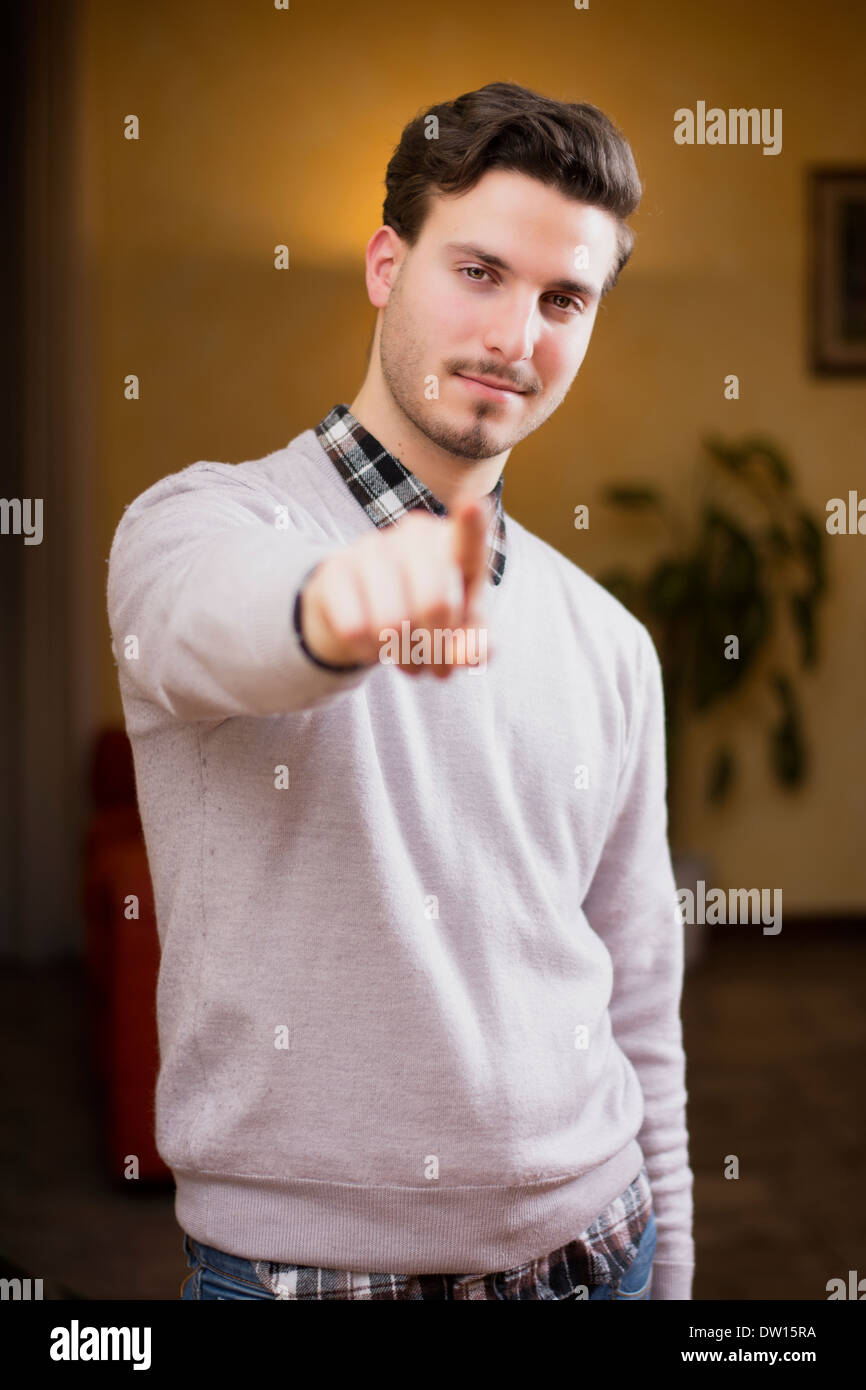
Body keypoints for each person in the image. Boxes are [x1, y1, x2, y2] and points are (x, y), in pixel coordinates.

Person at [108, 80, 694, 1301]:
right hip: (311, 1278)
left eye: (561, 298)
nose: (516, 336)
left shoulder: (608, 638)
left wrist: (671, 1271)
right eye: (477, 271)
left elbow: (639, 995)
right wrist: (364, 597)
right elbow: (229, 617)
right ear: (385, 264)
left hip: (605, 1244)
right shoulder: (196, 525)